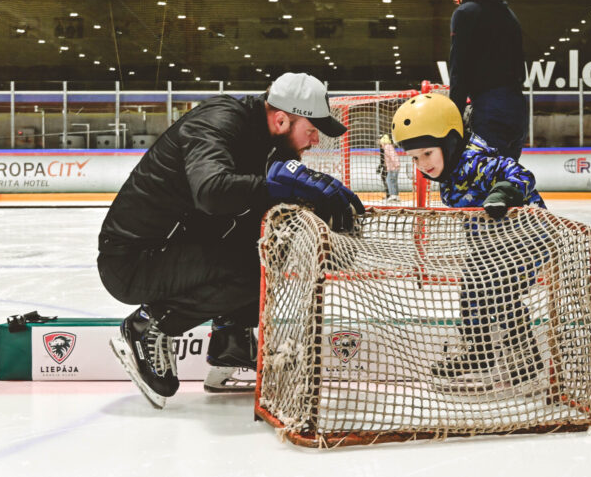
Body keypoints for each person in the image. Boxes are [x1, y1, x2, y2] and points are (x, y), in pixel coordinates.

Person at [98, 72, 364, 408]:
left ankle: (231, 345)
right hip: (134, 259)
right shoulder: (217, 121)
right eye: (311, 131)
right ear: (282, 119)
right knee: (251, 268)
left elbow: (269, 205)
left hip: (174, 248)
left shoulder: (271, 144)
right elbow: (210, 192)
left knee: (271, 245)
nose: (314, 141)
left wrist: (324, 222)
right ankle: (148, 326)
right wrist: (276, 184)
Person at [391, 93, 546, 388]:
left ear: (449, 143)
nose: (422, 164)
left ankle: (525, 358)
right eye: (414, 158)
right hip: (490, 246)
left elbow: (521, 174)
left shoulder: (475, 160)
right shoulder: (449, 172)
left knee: (500, 292)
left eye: (427, 153)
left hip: (527, 239)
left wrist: (502, 193)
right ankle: (479, 352)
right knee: (471, 289)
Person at [444, 0, 528, 160]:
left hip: (490, 109)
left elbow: (458, 71)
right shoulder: (507, 12)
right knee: (506, 178)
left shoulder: (465, 13)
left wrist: (452, 121)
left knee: (484, 181)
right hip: (517, 107)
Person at [379, 133, 401, 202]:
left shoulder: (387, 147)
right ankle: (396, 196)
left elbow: (393, 156)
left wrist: (396, 164)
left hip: (393, 167)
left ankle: (393, 195)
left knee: (389, 180)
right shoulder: (388, 147)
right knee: (393, 181)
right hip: (393, 167)